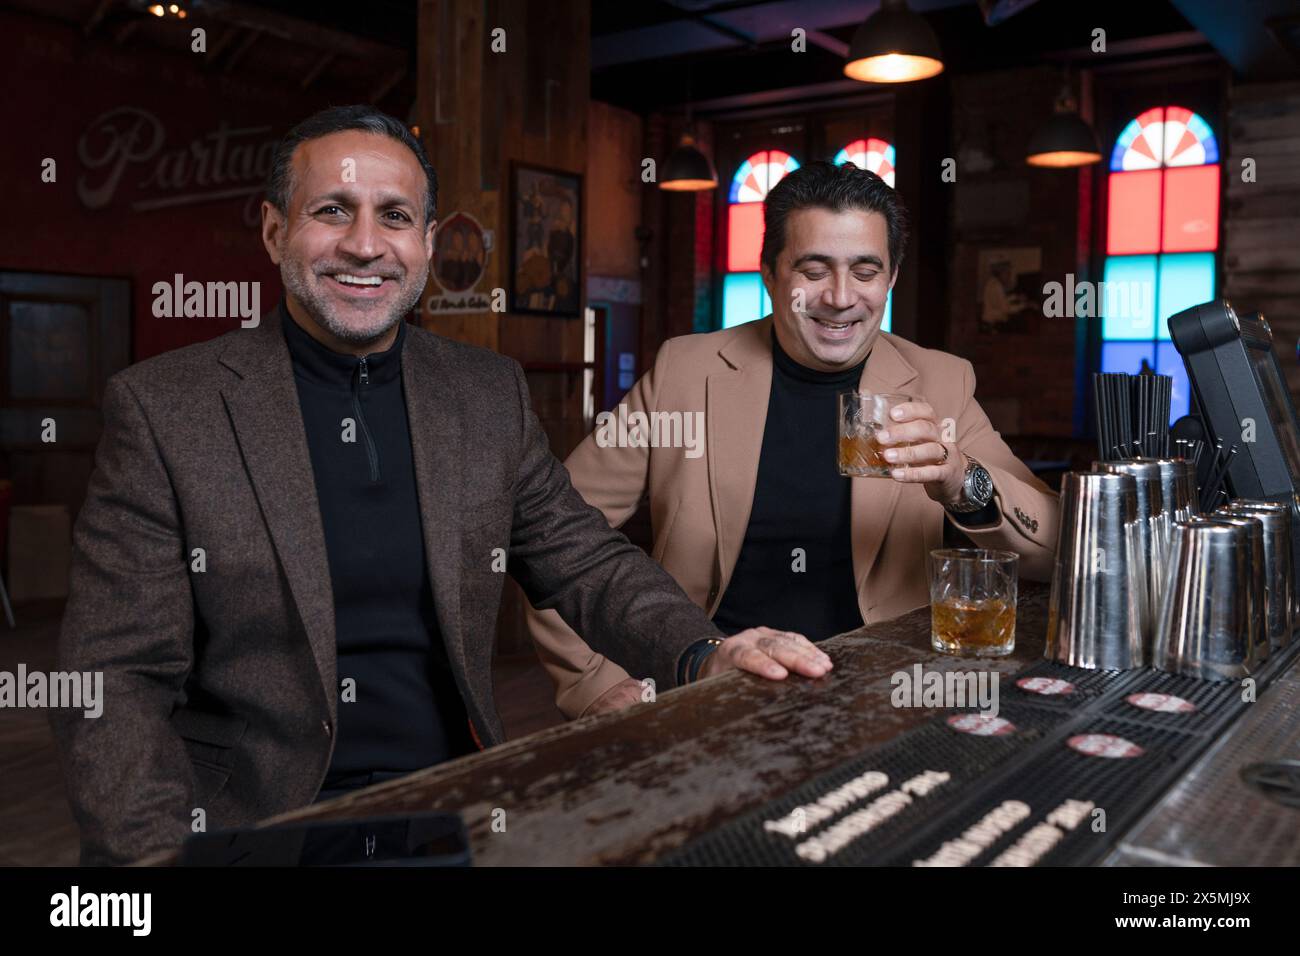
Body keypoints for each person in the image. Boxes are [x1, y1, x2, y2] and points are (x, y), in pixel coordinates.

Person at [49, 105, 831, 866]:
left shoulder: (484, 392)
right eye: (332, 210)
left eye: (394, 217)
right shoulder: (166, 408)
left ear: (425, 243)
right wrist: (151, 855)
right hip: (253, 822)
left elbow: (583, 559)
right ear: (273, 230)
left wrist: (705, 652)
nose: (365, 245)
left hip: (451, 804)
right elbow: (115, 677)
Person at [526, 161, 1060, 720]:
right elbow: (553, 534)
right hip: (710, 693)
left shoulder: (942, 382)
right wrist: (596, 684)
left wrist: (959, 478)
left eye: (865, 271)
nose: (839, 297)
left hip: (884, 700)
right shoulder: (685, 372)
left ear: (891, 277)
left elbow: (1051, 547)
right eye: (814, 268)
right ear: (770, 272)